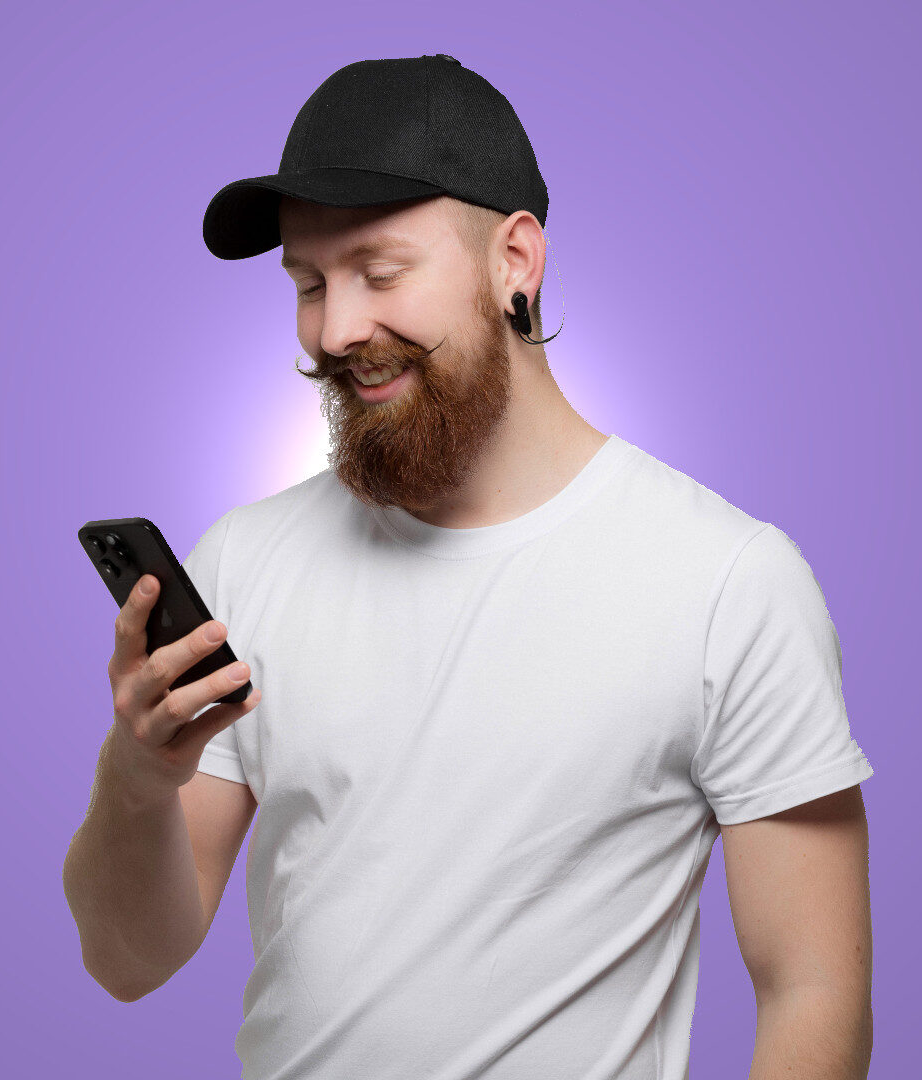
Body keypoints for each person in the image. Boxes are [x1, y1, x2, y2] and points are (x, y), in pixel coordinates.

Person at [67, 55, 875, 1079]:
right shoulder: (246, 562)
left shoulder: (727, 582)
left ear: (515, 261)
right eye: (308, 284)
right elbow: (126, 962)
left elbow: (814, 990)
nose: (335, 329)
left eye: (379, 270)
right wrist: (137, 777)